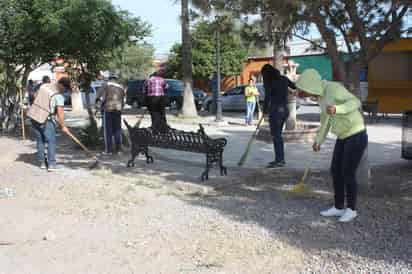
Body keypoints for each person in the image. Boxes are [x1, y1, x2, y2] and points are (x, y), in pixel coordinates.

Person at [296, 69, 367, 223]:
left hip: (356, 134)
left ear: (311, 85)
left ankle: (352, 209)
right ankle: (338, 206)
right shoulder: (320, 98)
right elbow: (325, 122)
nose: (305, 94)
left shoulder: (333, 88)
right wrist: (318, 141)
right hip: (343, 137)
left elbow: (355, 102)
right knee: (335, 171)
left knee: (348, 172)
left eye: (305, 90)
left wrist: (338, 109)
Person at [27, 77, 71, 172]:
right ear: (62, 86)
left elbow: (35, 96)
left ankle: (42, 163)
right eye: (65, 89)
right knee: (51, 141)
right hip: (45, 119)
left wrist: (47, 107)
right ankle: (51, 164)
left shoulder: (44, 86)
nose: (65, 91)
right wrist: (63, 126)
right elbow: (60, 112)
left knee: (40, 140)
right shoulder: (58, 95)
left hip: (34, 116)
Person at [262, 64, 296, 168]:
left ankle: (279, 160)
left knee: (276, 136)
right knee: (278, 135)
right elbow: (294, 86)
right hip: (285, 109)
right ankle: (280, 159)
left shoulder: (269, 82)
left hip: (276, 110)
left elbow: (267, 98)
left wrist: (264, 111)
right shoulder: (284, 79)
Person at [96, 73, 125, 155]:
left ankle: (108, 150)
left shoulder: (106, 85)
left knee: (108, 131)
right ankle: (119, 150)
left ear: (109, 78)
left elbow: (101, 98)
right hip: (118, 110)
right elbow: (123, 101)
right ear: (116, 79)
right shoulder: (121, 87)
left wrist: (98, 107)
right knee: (117, 131)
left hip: (108, 110)